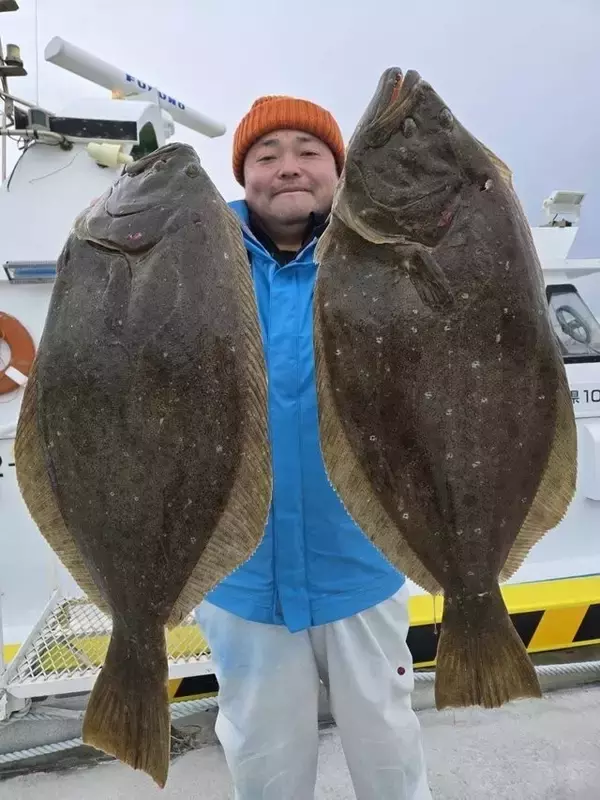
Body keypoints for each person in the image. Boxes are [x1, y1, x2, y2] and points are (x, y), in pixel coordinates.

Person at [194, 94, 432, 800]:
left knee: (389, 751)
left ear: (340, 169)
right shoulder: (201, 265)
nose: (287, 168)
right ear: (243, 177)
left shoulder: (388, 257)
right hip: (240, 582)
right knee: (264, 766)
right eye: (266, 156)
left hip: (361, 565)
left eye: (309, 152)